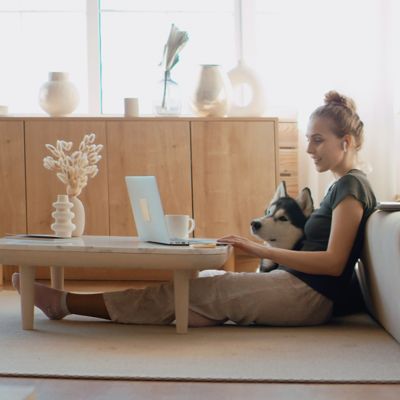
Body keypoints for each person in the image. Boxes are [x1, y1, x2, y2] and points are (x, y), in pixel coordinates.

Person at [12, 90, 377, 328]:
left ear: (344, 142)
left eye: (318, 140)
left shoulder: (351, 188)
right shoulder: (342, 186)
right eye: (308, 139)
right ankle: (181, 312)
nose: (310, 148)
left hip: (306, 297)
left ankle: (66, 303)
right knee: (194, 291)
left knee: (194, 292)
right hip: (299, 289)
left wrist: (259, 249)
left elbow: (333, 262)